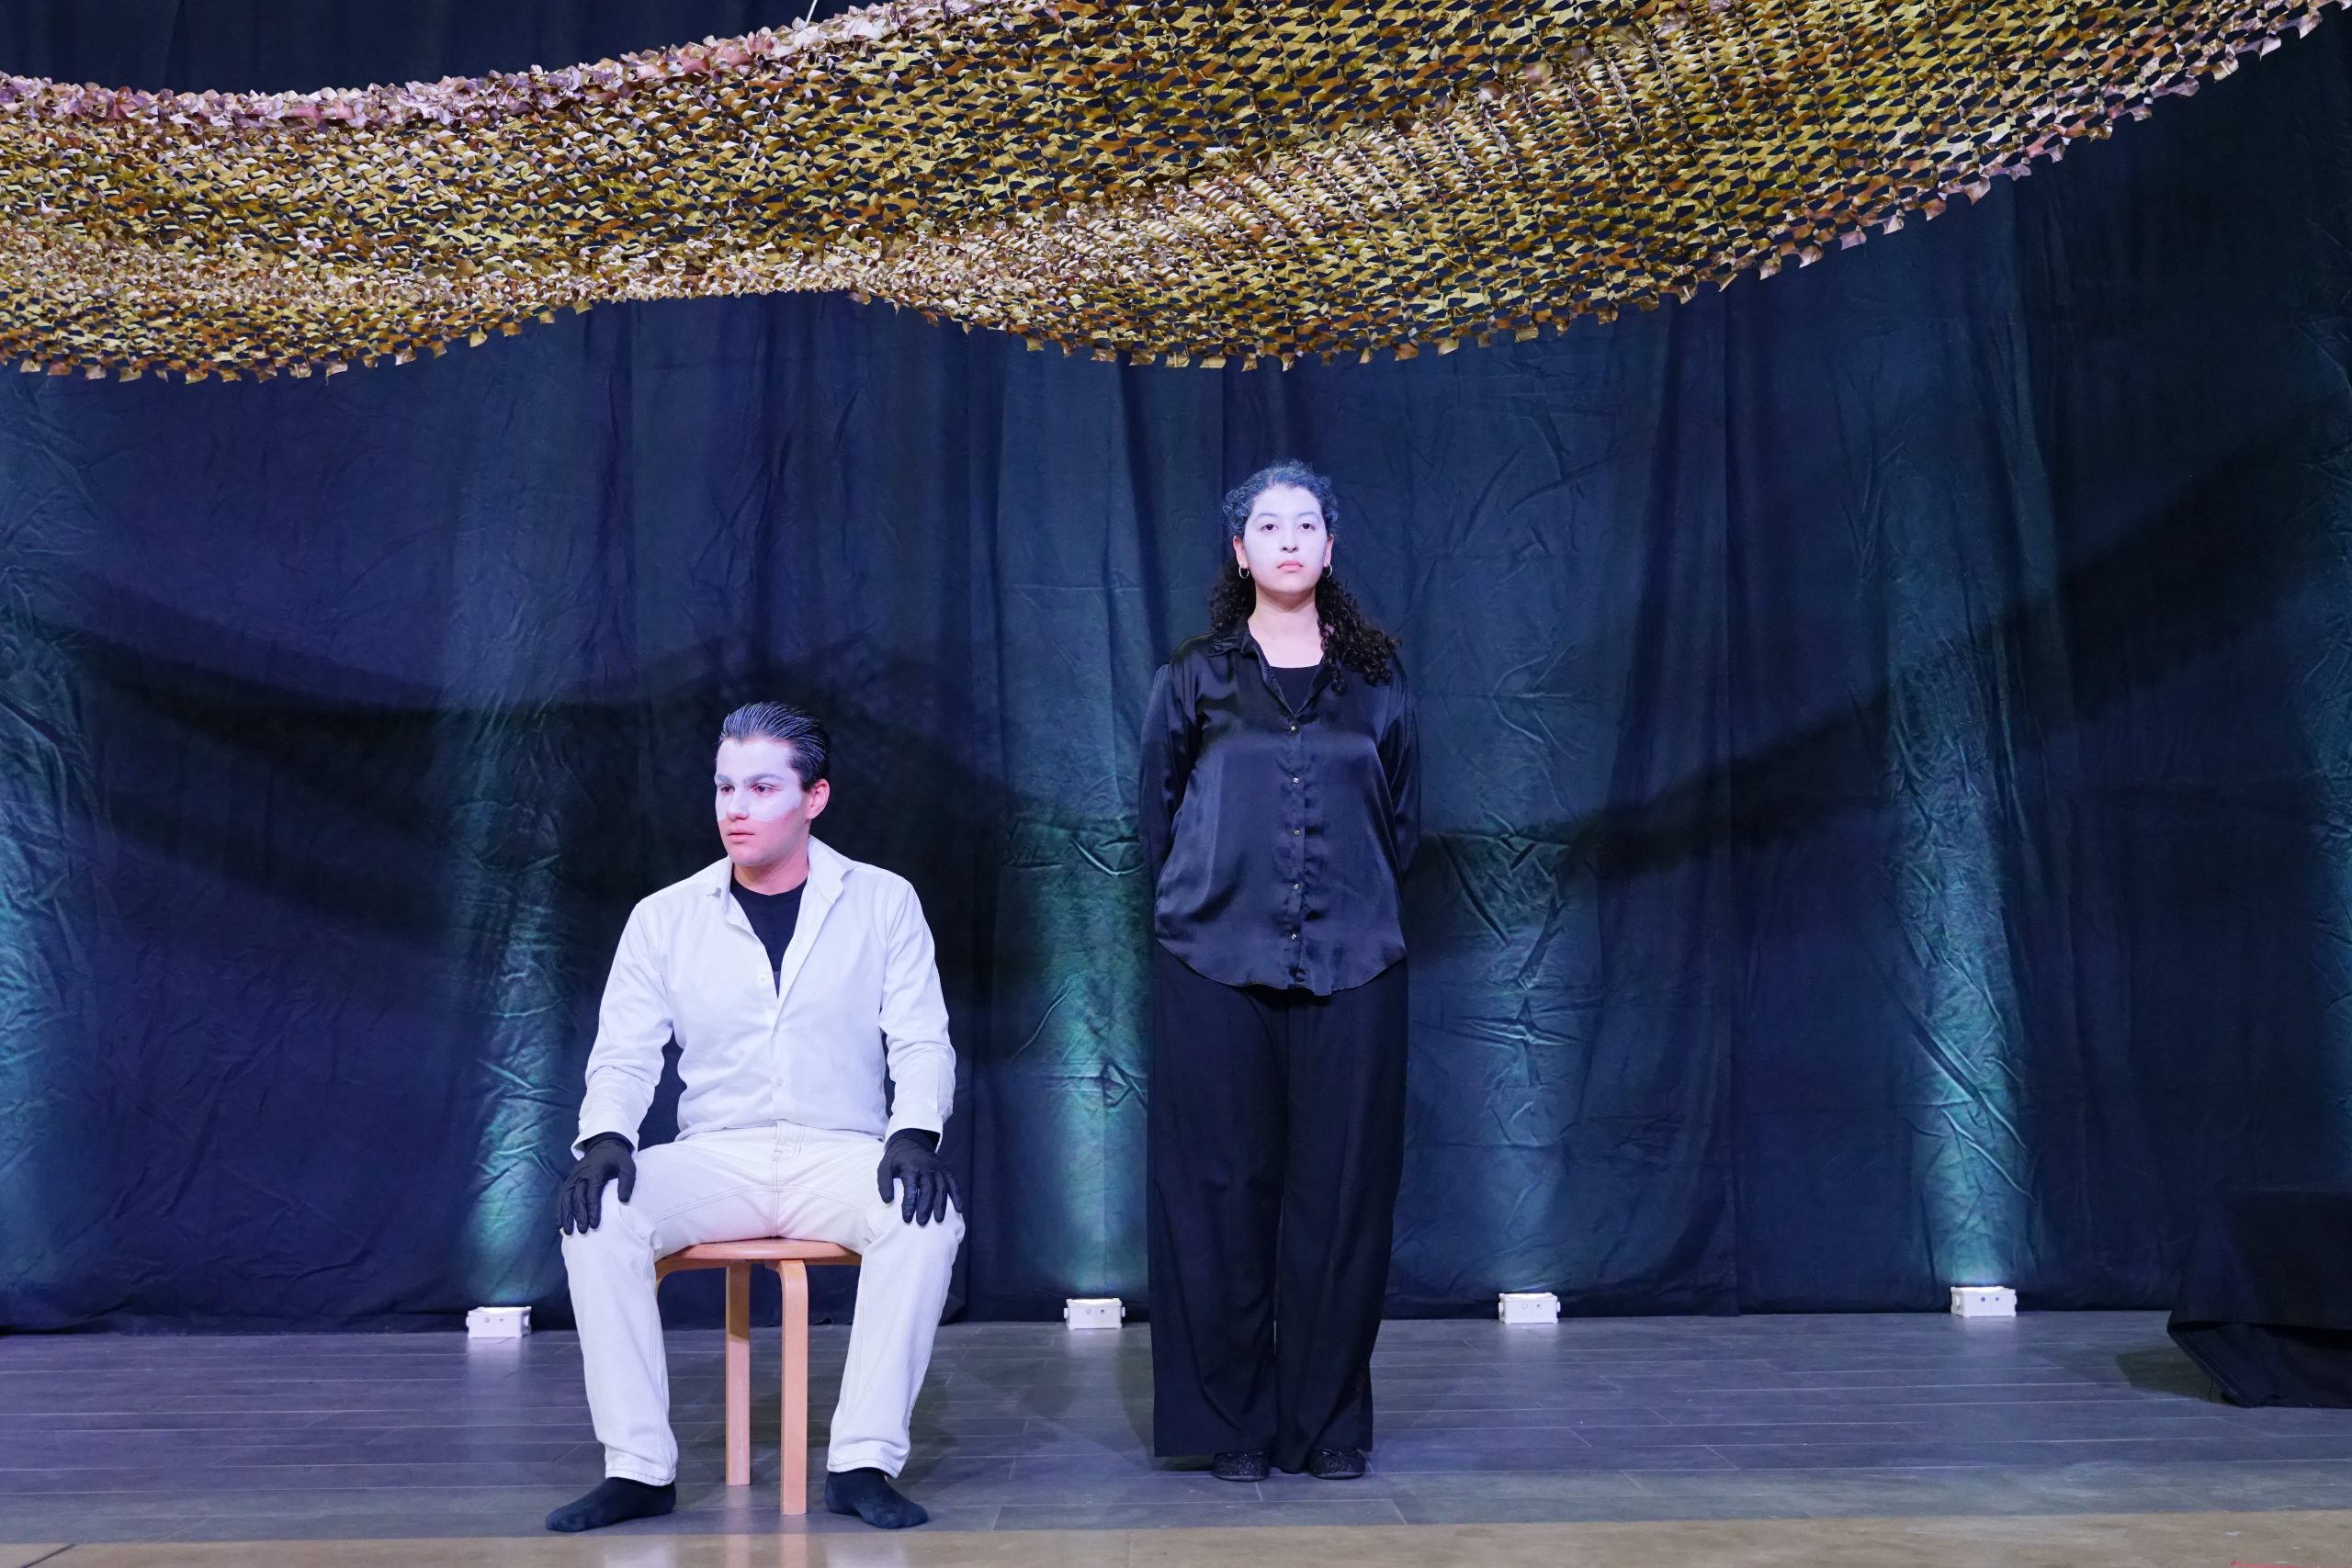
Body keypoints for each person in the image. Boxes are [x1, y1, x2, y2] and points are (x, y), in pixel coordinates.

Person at [547, 701, 964, 1532]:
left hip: (839, 1150)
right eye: (725, 786)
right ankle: (638, 1467)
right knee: (599, 1215)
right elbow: (624, 1053)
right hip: (719, 1154)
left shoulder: (882, 901)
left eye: (762, 787)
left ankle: (863, 1459)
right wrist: (606, 1137)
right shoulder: (665, 915)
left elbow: (922, 1038)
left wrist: (914, 1131)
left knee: (927, 1219)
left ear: (814, 797)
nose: (735, 807)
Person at [1136, 460, 1420, 1483]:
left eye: (1307, 524)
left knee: (1341, 1198)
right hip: (1213, 961)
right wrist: (1211, 900)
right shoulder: (1194, 676)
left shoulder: (1377, 681)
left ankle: (1326, 1421)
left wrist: (1348, 905)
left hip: (1356, 963)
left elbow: (1402, 821)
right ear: (1240, 549)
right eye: (1268, 524)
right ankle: (1233, 1423)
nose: (1289, 539)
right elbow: (1157, 815)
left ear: (1330, 547)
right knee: (1218, 1193)